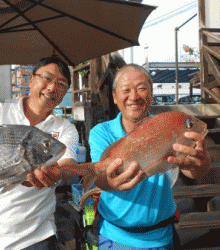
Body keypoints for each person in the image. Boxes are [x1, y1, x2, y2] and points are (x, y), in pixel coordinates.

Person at [89, 64, 212, 250]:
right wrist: (108, 182)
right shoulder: (101, 132)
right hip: (115, 238)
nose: (134, 96)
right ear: (114, 97)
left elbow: (193, 171)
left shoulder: (166, 125)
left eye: (141, 88)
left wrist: (201, 163)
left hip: (162, 238)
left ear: (152, 93)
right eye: (126, 90)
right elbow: (101, 178)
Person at [0, 56, 79, 250]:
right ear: (31, 79)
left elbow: (68, 162)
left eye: (61, 84)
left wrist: (59, 173)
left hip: (37, 238)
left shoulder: (65, 128)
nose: (53, 88)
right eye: (47, 78)